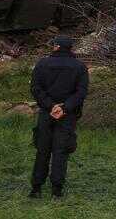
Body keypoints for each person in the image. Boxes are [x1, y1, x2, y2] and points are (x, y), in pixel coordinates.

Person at [29, 35, 89, 199]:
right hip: (67, 115)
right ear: (70, 48)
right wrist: (65, 107)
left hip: (47, 113)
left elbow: (35, 88)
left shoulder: (42, 64)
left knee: (42, 150)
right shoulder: (79, 67)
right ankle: (57, 189)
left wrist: (50, 106)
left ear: (56, 47)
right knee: (61, 151)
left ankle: (36, 188)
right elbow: (81, 92)